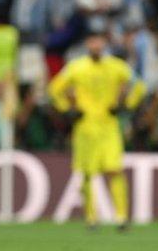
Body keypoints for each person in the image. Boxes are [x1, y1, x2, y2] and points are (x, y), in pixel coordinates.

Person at [48, 20, 146, 230]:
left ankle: (121, 217)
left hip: (109, 126)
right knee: (86, 173)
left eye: (99, 41)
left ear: (104, 42)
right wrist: (68, 109)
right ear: (87, 43)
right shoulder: (76, 67)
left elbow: (138, 85)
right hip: (84, 127)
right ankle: (91, 218)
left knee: (114, 170)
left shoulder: (116, 65)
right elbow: (54, 89)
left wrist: (126, 105)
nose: (96, 45)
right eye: (92, 41)